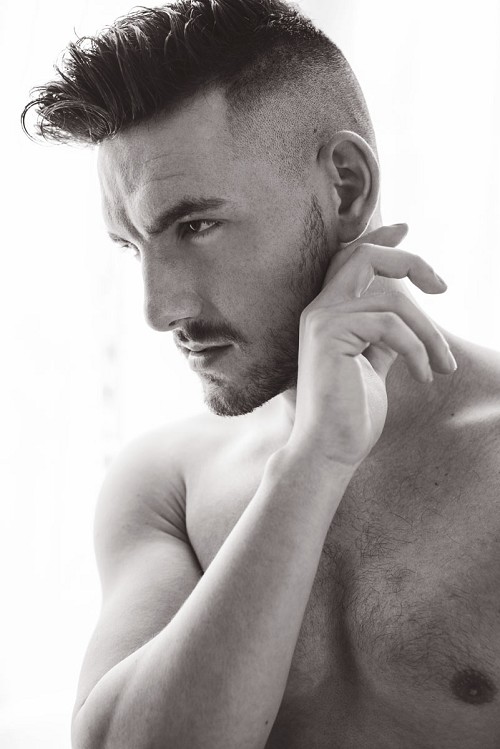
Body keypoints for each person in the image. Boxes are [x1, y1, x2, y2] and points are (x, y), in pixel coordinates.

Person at [22, 1, 500, 747]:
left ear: (345, 187)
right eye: (132, 246)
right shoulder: (166, 483)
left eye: (195, 226)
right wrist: (313, 462)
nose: (159, 309)